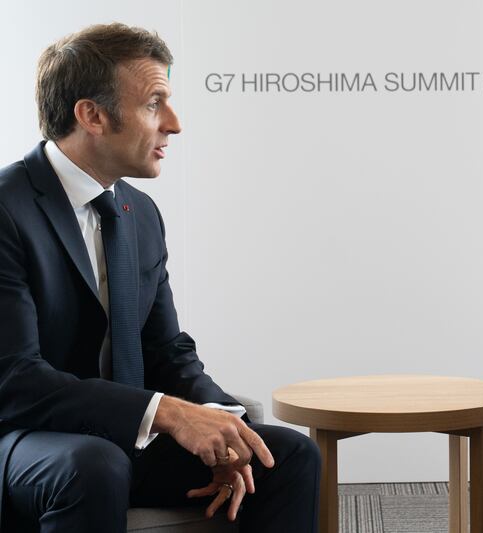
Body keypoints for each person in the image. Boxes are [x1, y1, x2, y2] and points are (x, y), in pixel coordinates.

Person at [0, 23, 319, 532]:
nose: (174, 124)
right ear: (92, 115)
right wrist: (167, 413)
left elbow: (166, 349)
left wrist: (224, 424)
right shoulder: (7, 208)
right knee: (94, 466)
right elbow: (15, 380)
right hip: (23, 438)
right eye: (154, 103)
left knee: (286, 454)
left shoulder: (140, 213)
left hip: (122, 439)